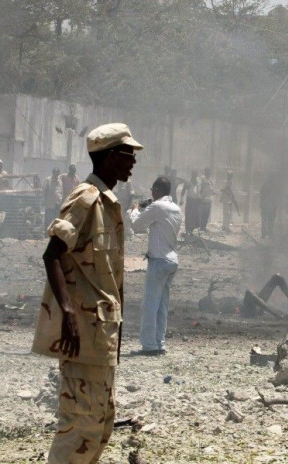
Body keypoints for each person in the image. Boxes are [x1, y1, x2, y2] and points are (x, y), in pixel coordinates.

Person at [32, 122, 143, 463]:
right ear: (109, 158)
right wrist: (67, 313)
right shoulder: (85, 198)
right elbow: (53, 253)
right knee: (80, 425)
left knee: (100, 423)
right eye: (128, 154)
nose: (133, 162)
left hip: (102, 333)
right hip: (83, 333)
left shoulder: (107, 203)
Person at [129, 176, 182, 356]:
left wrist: (135, 209)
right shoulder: (176, 208)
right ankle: (159, 342)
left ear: (157, 190)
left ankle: (149, 345)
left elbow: (136, 224)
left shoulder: (157, 207)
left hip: (159, 260)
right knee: (162, 306)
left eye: (153, 189)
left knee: (150, 305)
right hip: (171, 260)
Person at [181, 170, 201, 235]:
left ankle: (191, 230)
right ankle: (187, 230)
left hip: (196, 201)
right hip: (189, 200)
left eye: (196, 175)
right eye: (194, 174)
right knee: (188, 215)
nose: (195, 176)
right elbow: (183, 190)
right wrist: (181, 199)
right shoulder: (188, 182)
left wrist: (199, 198)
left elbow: (199, 191)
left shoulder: (198, 182)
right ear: (192, 175)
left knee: (195, 215)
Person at [43, 167, 62, 233]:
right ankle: (46, 233)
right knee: (48, 219)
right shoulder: (48, 180)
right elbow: (44, 191)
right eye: (55, 173)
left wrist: (60, 200)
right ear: (53, 173)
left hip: (57, 203)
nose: (56, 174)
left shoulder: (60, 181)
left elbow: (60, 191)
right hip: (49, 202)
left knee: (56, 218)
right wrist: (44, 201)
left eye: (57, 173)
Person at [260, 175, 279, 240]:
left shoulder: (265, 185)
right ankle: (270, 234)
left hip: (266, 206)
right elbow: (276, 198)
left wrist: (261, 205)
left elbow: (262, 196)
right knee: (270, 221)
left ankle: (263, 234)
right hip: (271, 206)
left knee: (264, 221)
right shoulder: (275, 187)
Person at [199, 167, 215, 231]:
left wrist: (212, 192)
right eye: (207, 171)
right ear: (205, 172)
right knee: (203, 214)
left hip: (209, 199)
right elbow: (200, 188)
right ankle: (201, 227)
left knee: (207, 214)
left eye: (209, 172)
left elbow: (211, 188)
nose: (209, 173)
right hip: (204, 199)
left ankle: (204, 227)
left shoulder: (210, 180)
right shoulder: (203, 179)